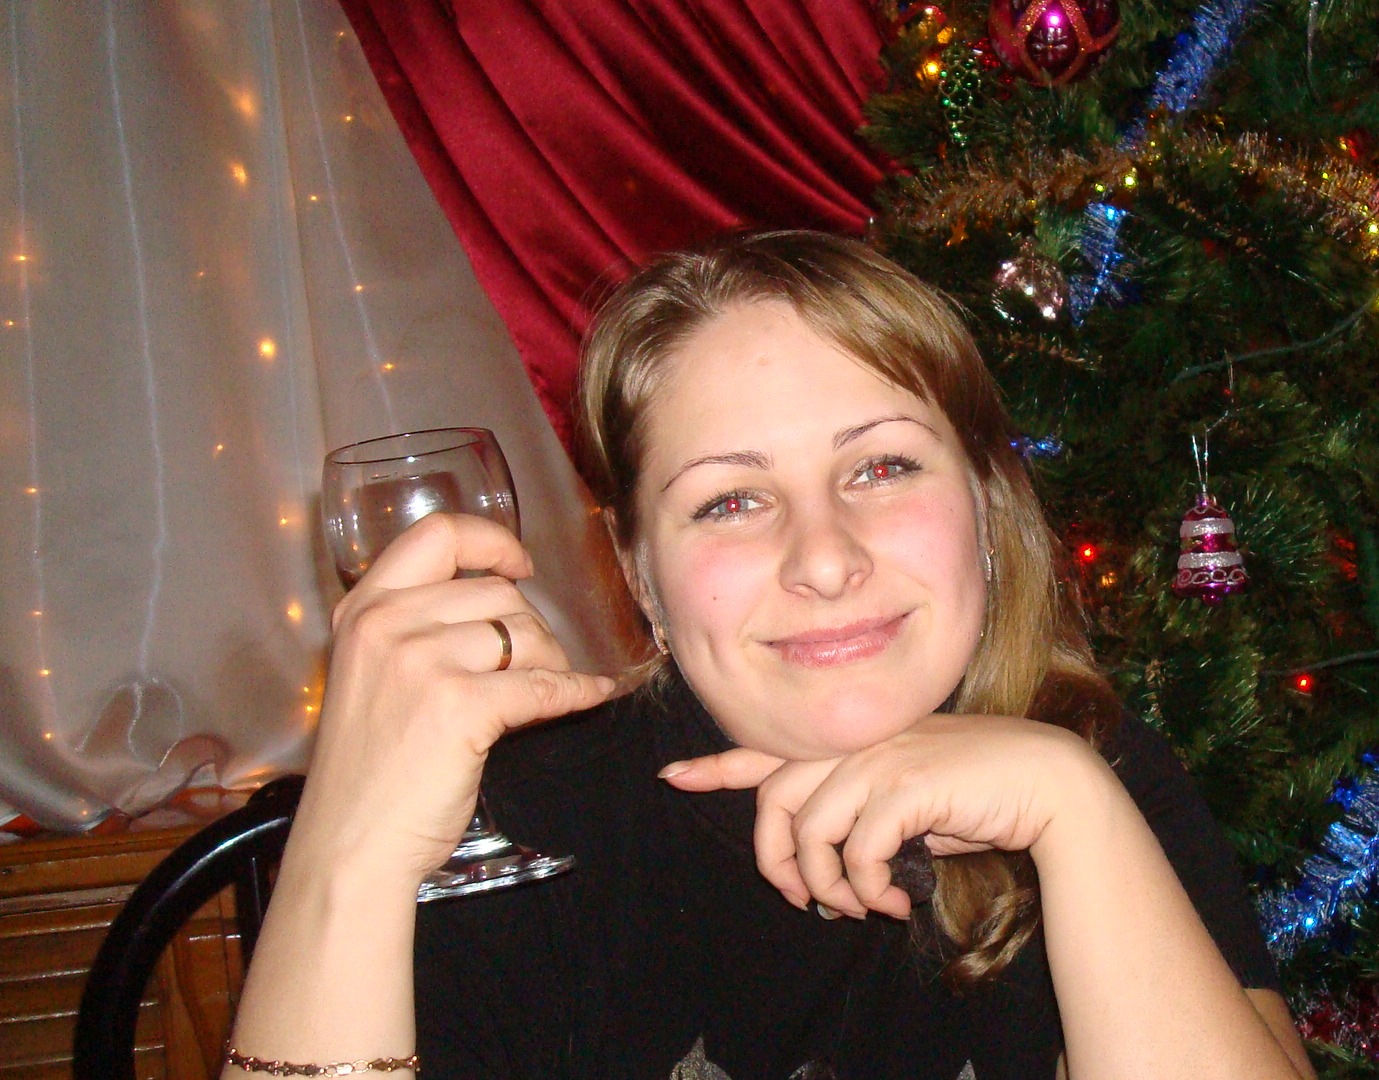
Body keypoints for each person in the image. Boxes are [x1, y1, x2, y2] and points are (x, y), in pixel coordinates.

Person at [223, 232, 1316, 1079]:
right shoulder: (524, 834)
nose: (825, 560)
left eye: (882, 468)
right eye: (731, 501)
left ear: (986, 507)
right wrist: (344, 855)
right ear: (639, 571)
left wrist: (1075, 811)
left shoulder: (1092, 770)